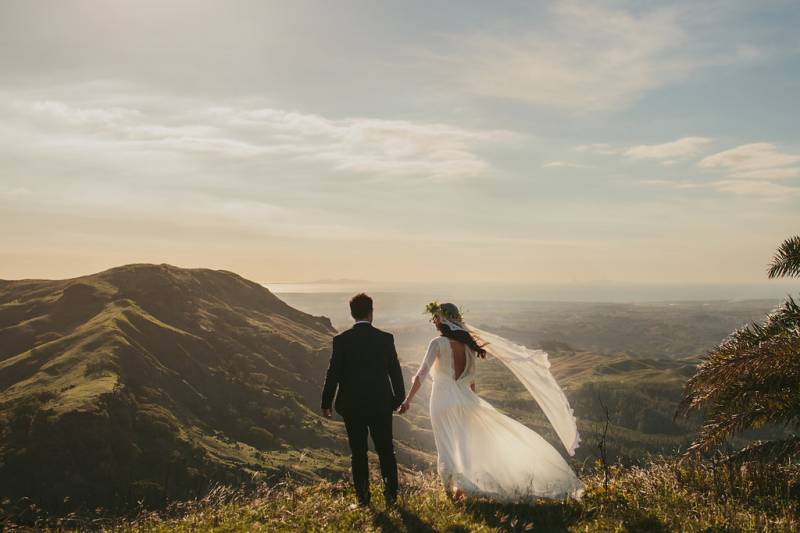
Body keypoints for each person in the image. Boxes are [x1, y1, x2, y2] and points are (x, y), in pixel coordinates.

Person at [399, 302, 584, 501]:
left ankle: (450, 493)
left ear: (442, 319)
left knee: (445, 444)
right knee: (463, 444)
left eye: (435, 318)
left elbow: (421, 374)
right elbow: (470, 381)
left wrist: (408, 400)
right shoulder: (469, 347)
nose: (434, 322)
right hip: (464, 400)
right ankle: (464, 487)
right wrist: (473, 402)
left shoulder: (437, 343)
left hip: (442, 400)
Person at [321, 293, 405, 507]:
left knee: (358, 453)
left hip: (352, 406)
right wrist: (398, 399)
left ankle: (363, 498)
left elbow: (333, 374)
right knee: (386, 450)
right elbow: (394, 371)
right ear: (371, 312)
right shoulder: (385, 339)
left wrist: (326, 402)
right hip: (380, 405)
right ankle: (391, 496)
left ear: (352, 314)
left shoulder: (341, 341)